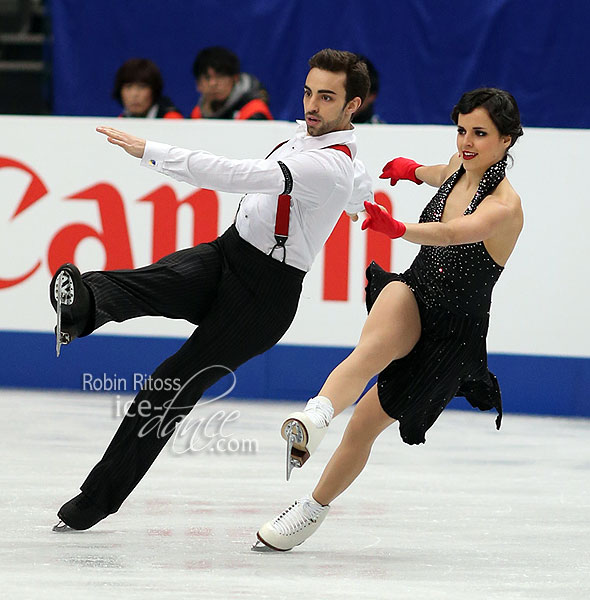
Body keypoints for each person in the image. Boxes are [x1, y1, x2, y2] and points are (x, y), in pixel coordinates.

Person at [50, 48, 371, 532]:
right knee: (154, 281)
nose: (311, 104)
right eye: (308, 92)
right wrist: (369, 201)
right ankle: (82, 306)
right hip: (229, 253)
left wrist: (150, 151)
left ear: (353, 106)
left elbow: (237, 175)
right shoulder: (314, 145)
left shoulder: (330, 166)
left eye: (326, 97)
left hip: (264, 296)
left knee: (169, 383)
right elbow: (360, 191)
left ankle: (96, 500)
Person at [255, 87, 524, 551]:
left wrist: (398, 228)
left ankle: (312, 509)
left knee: (363, 427)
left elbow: (455, 231)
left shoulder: (505, 206)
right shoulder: (459, 166)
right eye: (462, 130)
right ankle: (316, 417)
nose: (467, 141)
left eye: (480, 133)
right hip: (415, 291)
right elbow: (442, 172)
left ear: (507, 141)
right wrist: (410, 171)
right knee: (372, 348)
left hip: (452, 333)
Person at [190, 46, 272, 120]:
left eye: (220, 76)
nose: (213, 83)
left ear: (235, 78)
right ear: (198, 84)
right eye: (207, 78)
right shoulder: (197, 114)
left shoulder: (254, 111)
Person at [113, 58, 183, 119]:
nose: (134, 94)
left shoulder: (172, 119)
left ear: (154, 90)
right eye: (128, 87)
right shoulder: (120, 121)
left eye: (142, 87)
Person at [352, 55, 384, 124]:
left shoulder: (383, 132)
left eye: (355, 92)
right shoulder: (325, 129)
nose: (349, 99)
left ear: (372, 96)